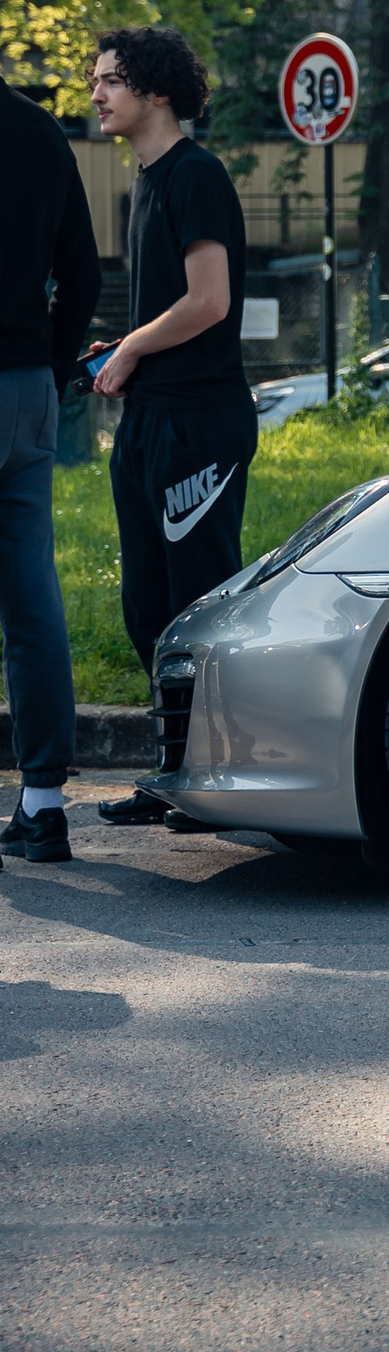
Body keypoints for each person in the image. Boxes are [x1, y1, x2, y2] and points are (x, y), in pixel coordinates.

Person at [86, 29, 256, 829]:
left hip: (200, 424)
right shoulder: (145, 184)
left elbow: (209, 301)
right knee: (149, 606)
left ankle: (217, 778)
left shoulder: (196, 174)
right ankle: (174, 772)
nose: (96, 94)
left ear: (156, 91)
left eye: (111, 81)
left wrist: (131, 346)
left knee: (201, 604)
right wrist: (123, 353)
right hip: (148, 419)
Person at [0, 80, 103, 865]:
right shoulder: (40, 133)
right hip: (27, 386)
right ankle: (42, 806)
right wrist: (54, 365)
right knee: (32, 595)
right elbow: (83, 273)